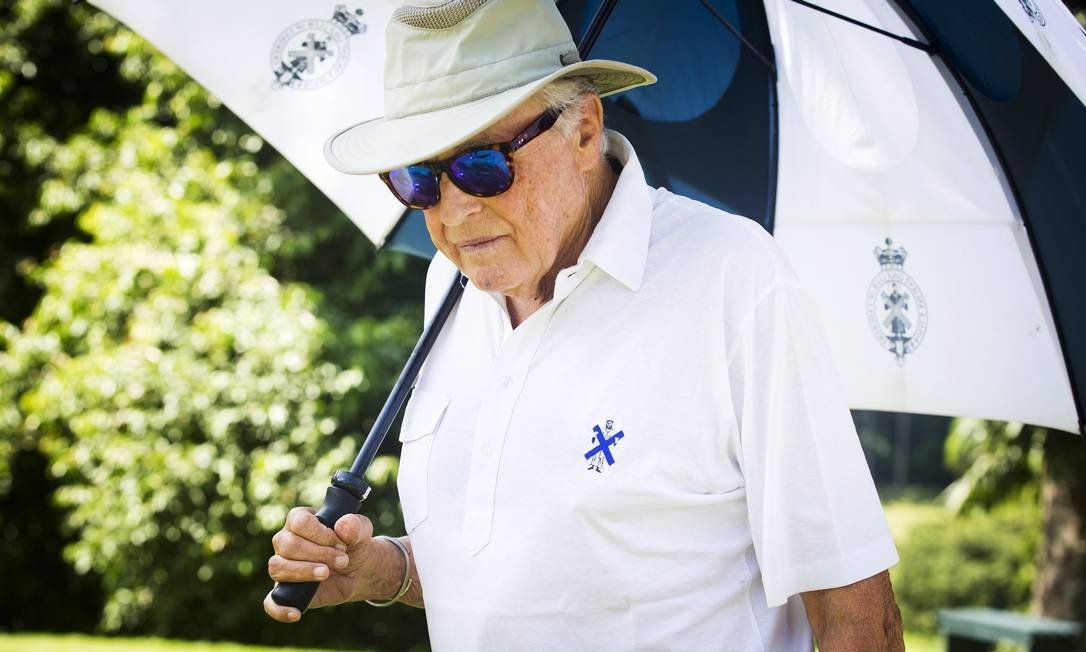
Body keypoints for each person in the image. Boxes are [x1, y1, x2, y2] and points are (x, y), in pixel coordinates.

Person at [264, 0, 904, 649]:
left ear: (584, 130)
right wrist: (388, 570)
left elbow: (857, 612)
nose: (453, 215)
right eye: (419, 177)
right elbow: (532, 570)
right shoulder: (450, 284)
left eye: (482, 165)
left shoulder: (732, 277)